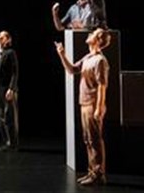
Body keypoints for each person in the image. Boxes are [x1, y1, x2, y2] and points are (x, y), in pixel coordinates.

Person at [54, 28, 110, 186]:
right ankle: (92, 172)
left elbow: (102, 86)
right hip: (84, 102)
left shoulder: (100, 60)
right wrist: (62, 54)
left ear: (98, 40)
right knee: (88, 139)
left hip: (93, 104)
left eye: (93, 34)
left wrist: (99, 108)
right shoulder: (88, 57)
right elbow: (72, 70)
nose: (89, 35)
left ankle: (99, 174)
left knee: (94, 140)